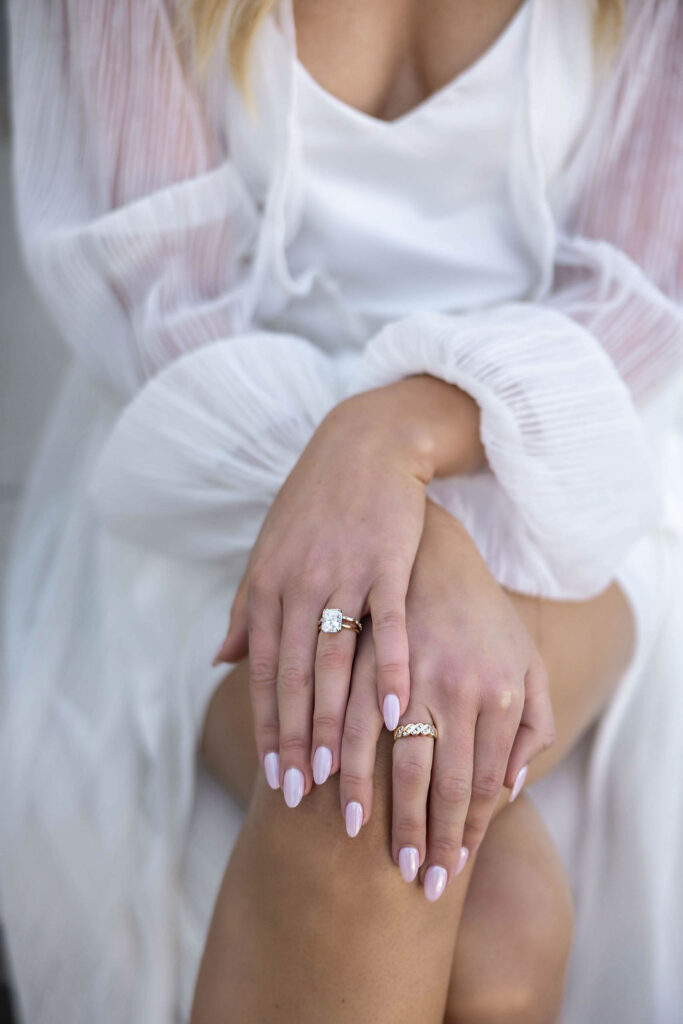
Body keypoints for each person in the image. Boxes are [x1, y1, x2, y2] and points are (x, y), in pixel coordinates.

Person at [2, 0, 682, 1021]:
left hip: (566, 459)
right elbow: (154, 292)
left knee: (394, 775)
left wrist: (393, 444)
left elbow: (640, 294)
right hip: (219, 453)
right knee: (488, 922)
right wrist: (411, 531)